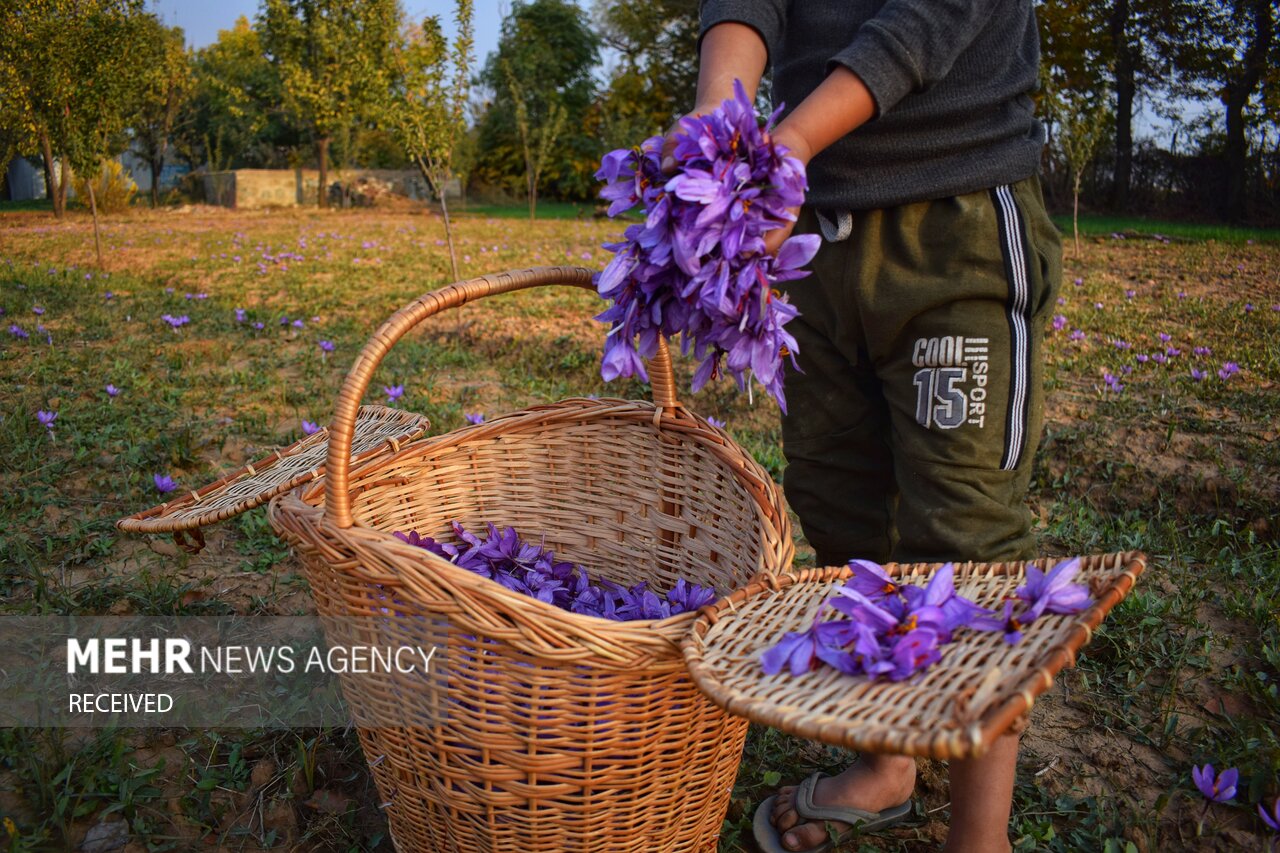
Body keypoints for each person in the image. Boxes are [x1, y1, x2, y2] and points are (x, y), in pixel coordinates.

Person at [662, 2, 1062, 852]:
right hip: (810, 229)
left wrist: (791, 142)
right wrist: (718, 119)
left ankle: (979, 838)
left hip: (954, 220)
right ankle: (888, 763)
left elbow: (930, 17)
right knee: (839, 508)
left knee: (965, 533)